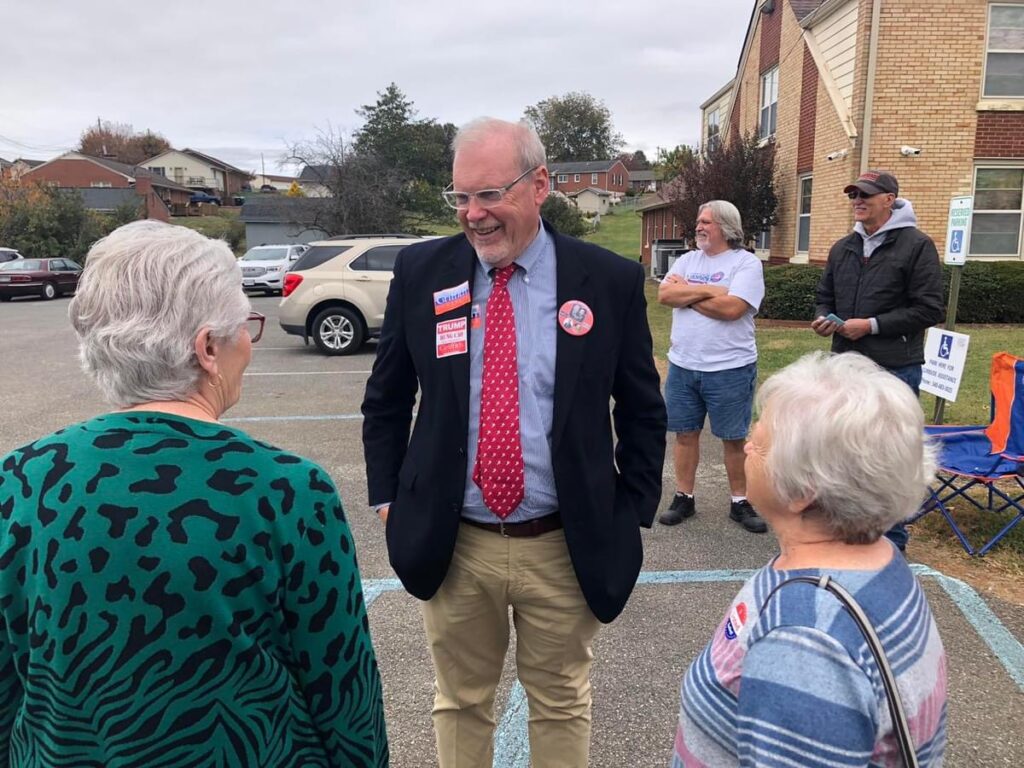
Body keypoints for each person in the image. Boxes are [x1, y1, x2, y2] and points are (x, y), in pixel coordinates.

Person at [0, 221, 388, 767]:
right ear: (207, 347)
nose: (249, 346)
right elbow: (345, 699)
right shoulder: (285, 490)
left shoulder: (18, 480)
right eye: (245, 328)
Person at [361, 117, 665, 768]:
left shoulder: (606, 282)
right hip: (455, 541)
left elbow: (641, 407)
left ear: (540, 185)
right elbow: (387, 399)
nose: (474, 214)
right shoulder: (422, 271)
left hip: (562, 541)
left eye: (490, 194)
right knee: (461, 700)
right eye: (461, 197)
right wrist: (389, 498)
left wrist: (630, 509)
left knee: (559, 699)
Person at [672, 352, 947, 767]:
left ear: (803, 491)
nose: (746, 446)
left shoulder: (805, 639)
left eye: (760, 443)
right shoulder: (878, 559)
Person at [812, 170, 944, 550]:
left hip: (894, 369)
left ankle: (891, 545)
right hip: (845, 366)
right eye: (854, 193)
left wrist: (869, 325)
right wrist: (825, 318)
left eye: (866, 194)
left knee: (889, 458)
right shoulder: (843, 247)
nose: (858, 200)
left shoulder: (917, 246)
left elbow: (928, 309)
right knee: (841, 450)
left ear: (890, 199)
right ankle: (845, 532)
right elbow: (826, 296)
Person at [657, 200, 767, 533]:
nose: (699, 227)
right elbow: (664, 296)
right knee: (684, 434)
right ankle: (683, 497)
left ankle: (739, 502)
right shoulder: (688, 259)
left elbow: (733, 308)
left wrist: (687, 293)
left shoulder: (745, 263)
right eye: (698, 221)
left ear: (726, 227)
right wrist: (709, 290)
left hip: (730, 367)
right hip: (683, 366)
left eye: (706, 222)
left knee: (733, 439)